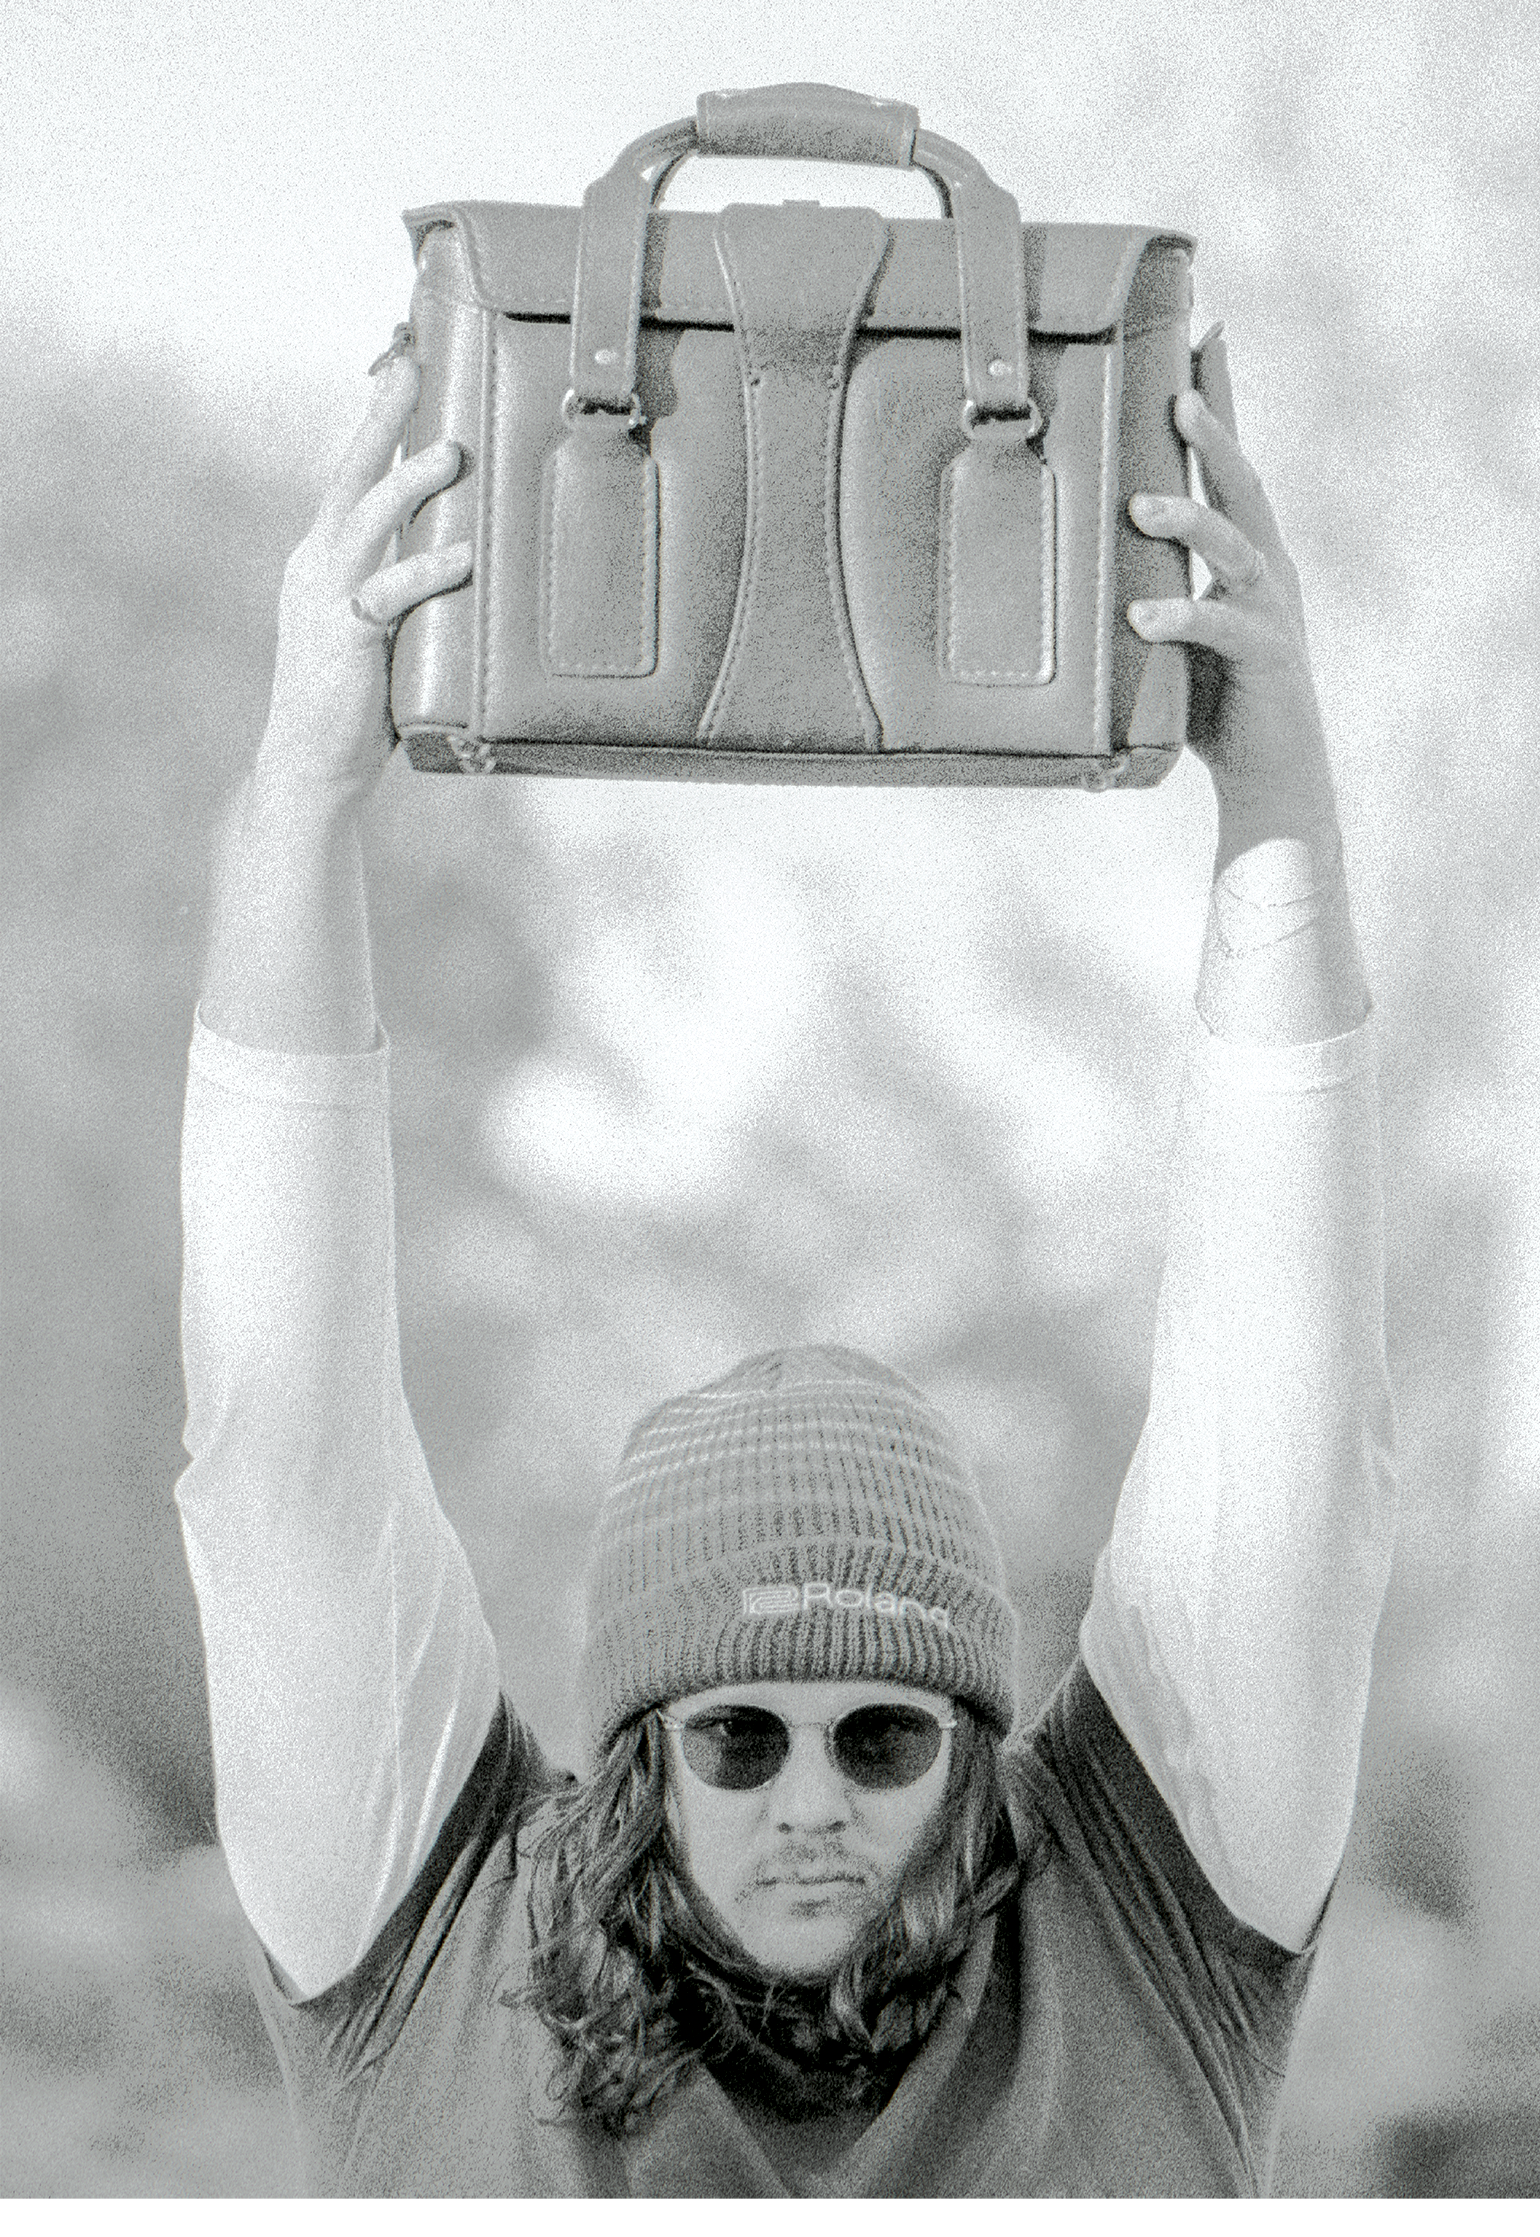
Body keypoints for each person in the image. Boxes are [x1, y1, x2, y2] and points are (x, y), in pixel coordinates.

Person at [174, 346, 1396, 2205]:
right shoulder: (432, 1946)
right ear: (643, 1756)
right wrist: (294, 795)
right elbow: (282, 1470)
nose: (810, 1806)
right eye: (737, 1736)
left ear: (975, 1750)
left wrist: (1283, 816)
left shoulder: (1143, 1935)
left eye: (886, 1734)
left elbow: (1288, 1471)